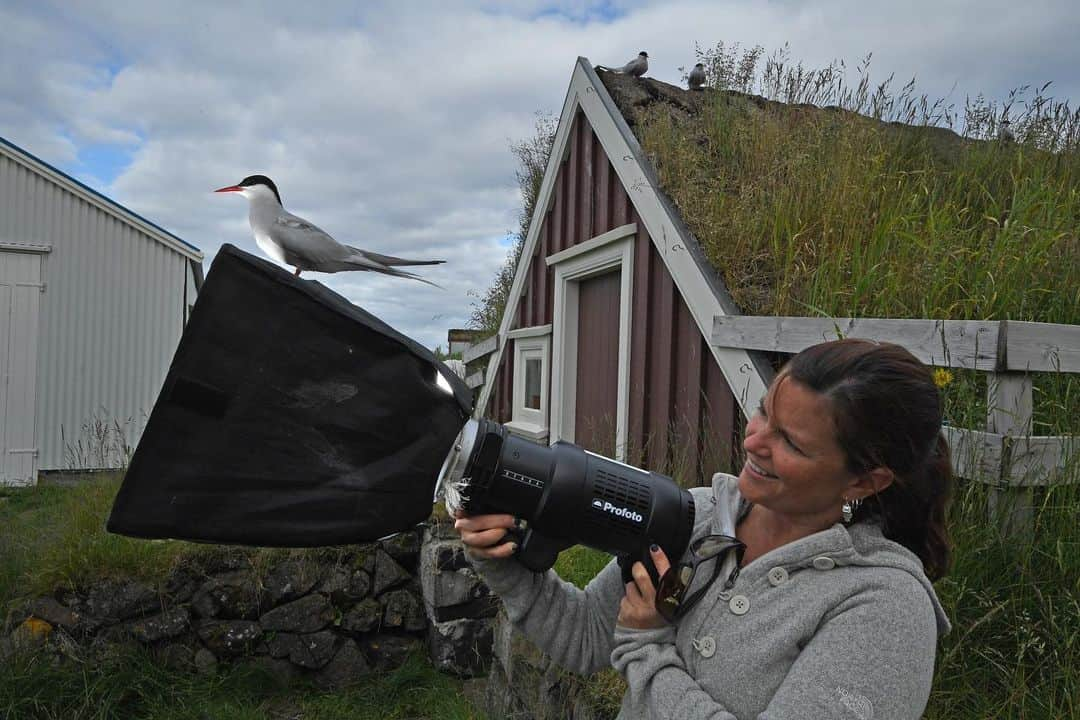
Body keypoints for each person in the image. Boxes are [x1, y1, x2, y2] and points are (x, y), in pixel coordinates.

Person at [453, 339, 953, 719]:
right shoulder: (696, 517)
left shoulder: (884, 607)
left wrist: (648, 650)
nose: (755, 441)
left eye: (792, 444)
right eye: (763, 413)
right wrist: (503, 561)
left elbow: (635, 644)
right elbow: (585, 638)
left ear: (864, 480)